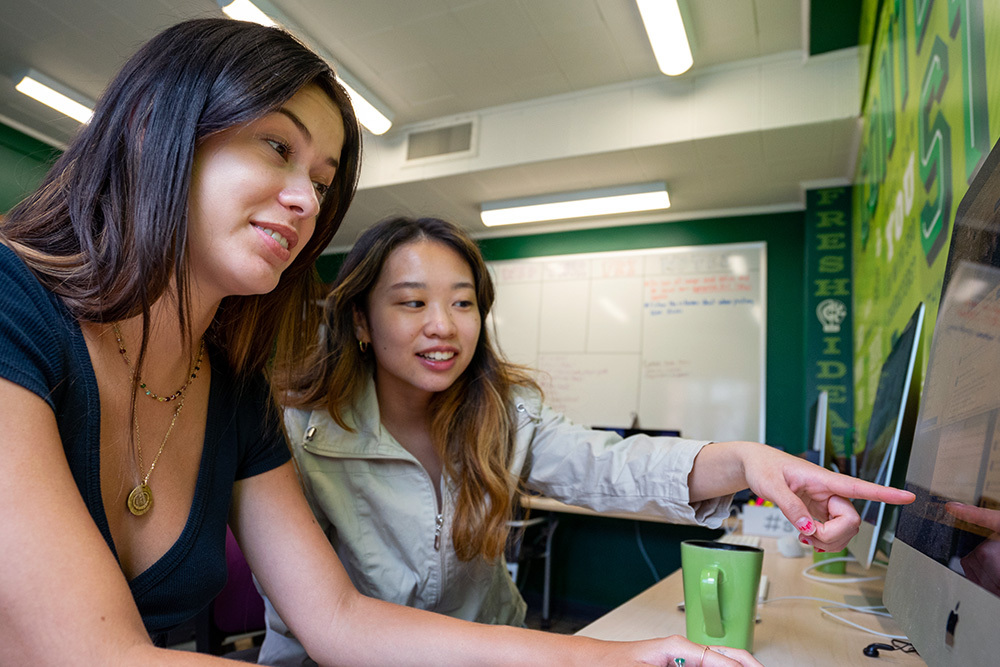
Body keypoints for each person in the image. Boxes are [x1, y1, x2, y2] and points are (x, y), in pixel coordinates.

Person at [0, 17, 771, 667]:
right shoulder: (18, 308)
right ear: (151, 129)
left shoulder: (234, 387)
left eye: (324, 178)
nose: (305, 199)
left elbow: (341, 613)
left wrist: (615, 654)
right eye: (277, 146)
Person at [258, 215, 917, 666]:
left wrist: (746, 458)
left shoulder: (502, 412)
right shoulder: (296, 436)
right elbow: (333, 625)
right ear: (362, 321)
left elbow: (611, 465)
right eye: (410, 302)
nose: (443, 325)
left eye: (463, 303)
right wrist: (588, 654)